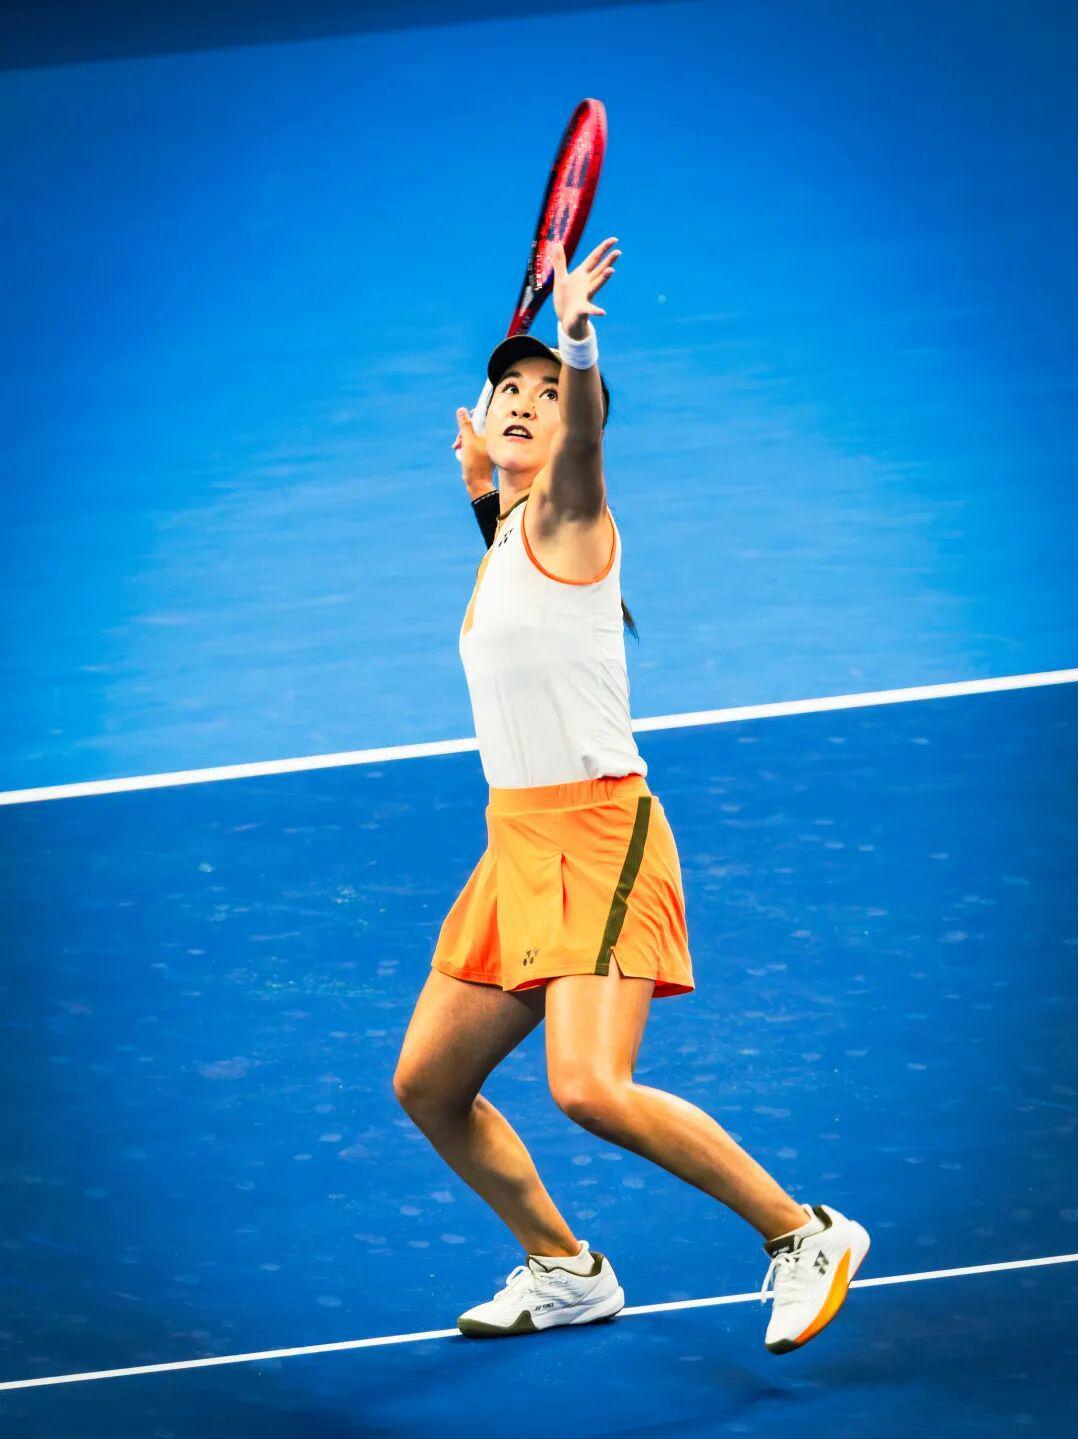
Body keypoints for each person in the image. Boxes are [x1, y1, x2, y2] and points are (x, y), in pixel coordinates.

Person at [393, 236, 869, 1350]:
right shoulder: (512, 529)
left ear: (577, 431)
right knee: (429, 1083)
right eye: (509, 390)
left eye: (545, 395)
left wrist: (574, 339)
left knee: (590, 1086)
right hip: (517, 844)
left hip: (599, 837)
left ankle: (804, 1231)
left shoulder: (574, 516)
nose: (525, 401)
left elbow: (579, 454)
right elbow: (517, 580)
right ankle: (566, 1269)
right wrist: (481, 489)